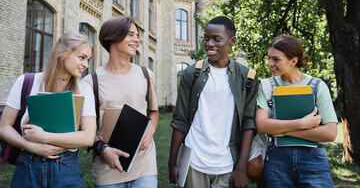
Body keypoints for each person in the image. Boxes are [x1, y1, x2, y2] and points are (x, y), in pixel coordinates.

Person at [169, 16, 259, 188]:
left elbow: (249, 124)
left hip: (228, 165)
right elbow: (180, 121)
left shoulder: (247, 78)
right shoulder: (191, 74)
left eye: (217, 39)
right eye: (206, 38)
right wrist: (173, 162)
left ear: (232, 41)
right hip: (194, 162)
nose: (209, 44)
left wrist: (241, 168)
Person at [0, 32, 97, 188]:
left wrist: (44, 137)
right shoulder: (26, 81)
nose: (86, 64)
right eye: (82, 57)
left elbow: (88, 138)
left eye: (88, 60)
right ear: (63, 54)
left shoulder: (84, 90)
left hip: (66, 168)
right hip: (28, 165)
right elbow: (4, 127)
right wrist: (30, 146)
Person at [83, 16, 159, 188]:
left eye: (137, 36)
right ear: (113, 37)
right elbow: (84, 129)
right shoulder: (91, 81)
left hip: (144, 165)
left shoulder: (146, 75)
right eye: (130, 35)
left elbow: (153, 111)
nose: (136, 40)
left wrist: (151, 129)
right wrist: (104, 150)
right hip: (108, 168)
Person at [256, 35, 338, 187]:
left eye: (276, 59)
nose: (269, 63)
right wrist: (302, 123)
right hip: (277, 162)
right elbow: (262, 125)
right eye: (269, 58)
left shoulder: (318, 86)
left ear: (293, 61)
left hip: (313, 162)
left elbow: (330, 133)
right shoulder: (266, 86)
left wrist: (280, 131)